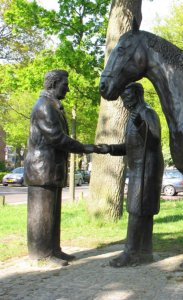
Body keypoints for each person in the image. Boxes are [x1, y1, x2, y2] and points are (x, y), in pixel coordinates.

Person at [24, 69, 106, 266]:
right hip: (41, 168)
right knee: (42, 212)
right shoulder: (44, 106)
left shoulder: (53, 105)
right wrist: (85, 148)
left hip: (51, 167)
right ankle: (41, 253)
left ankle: (53, 249)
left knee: (52, 211)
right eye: (65, 84)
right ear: (54, 84)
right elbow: (56, 138)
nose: (68, 88)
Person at [105, 82, 164, 267]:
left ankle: (131, 253)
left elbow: (154, 140)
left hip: (147, 168)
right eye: (123, 98)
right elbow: (131, 146)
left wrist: (140, 123)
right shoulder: (133, 116)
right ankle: (144, 252)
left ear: (138, 94)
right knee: (141, 210)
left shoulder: (147, 112)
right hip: (138, 167)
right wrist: (109, 148)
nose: (124, 101)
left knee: (137, 208)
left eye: (127, 97)